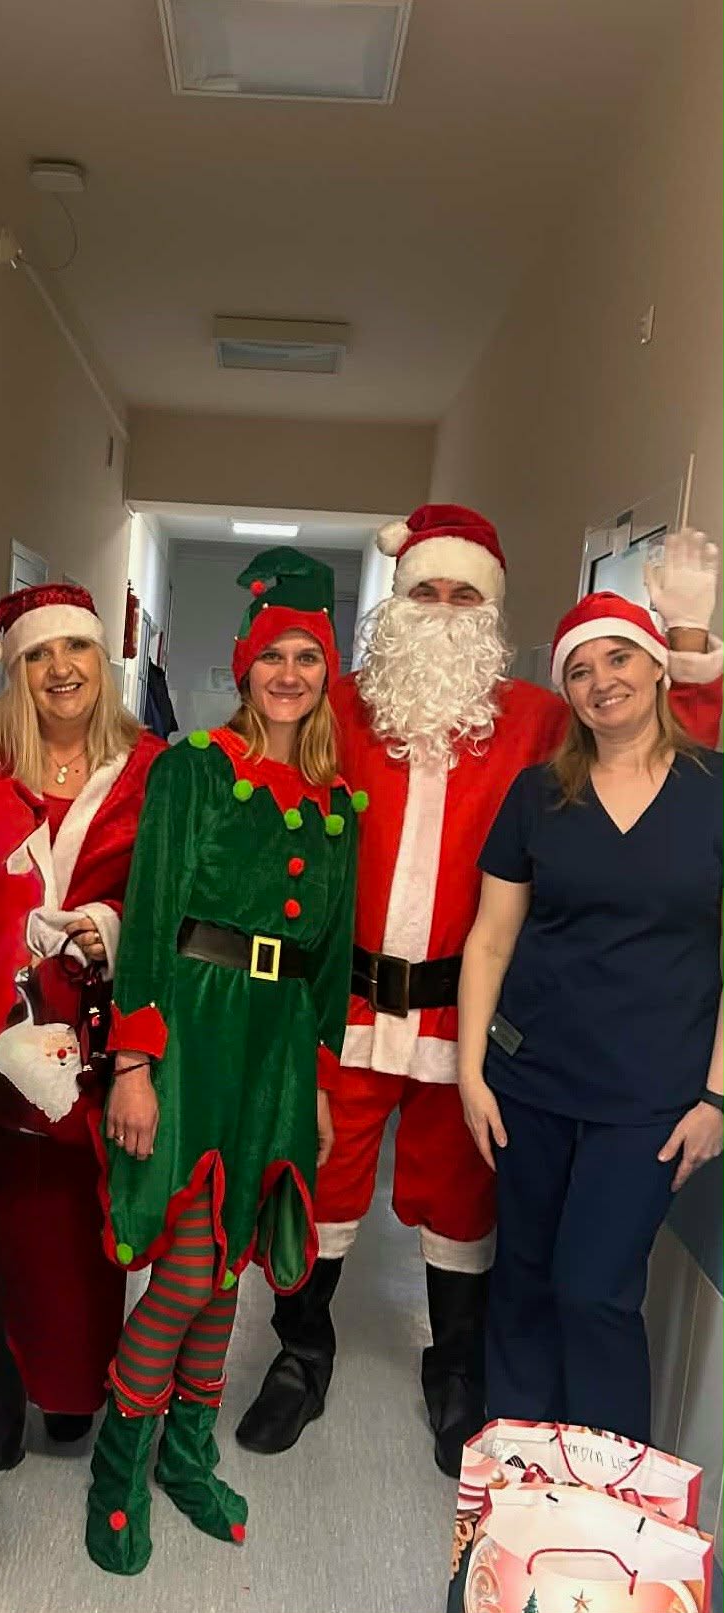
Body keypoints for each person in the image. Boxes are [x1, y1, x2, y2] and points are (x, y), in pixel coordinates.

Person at [236, 507, 724, 1477]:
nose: (444, 608)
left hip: (469, 1014)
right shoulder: (341, 705)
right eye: (426, 589)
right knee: (316, 1177)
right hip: (346, 1003)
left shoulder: (540, 720)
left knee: (464, 1195)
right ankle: (301, 1353)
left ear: (491, 610)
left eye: (465, 594)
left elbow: (669, 753)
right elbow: (256, 755)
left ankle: (456, 1367)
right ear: (398, 599)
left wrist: (689, 641)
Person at [85, 548, 361, 1576]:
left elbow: (332, 960)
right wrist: (134, 1063)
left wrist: (319, 1082)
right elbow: (151, 915)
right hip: (195, 1028)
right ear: (244, 664)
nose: (289, 673)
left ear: (326, 670)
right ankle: (119, 1467)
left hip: (277, 1046)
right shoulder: (193, 768)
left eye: (307, 656)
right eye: (272, 655)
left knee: (231, 1265)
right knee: (189, 1262)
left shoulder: (335, 803)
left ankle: (187, 1454)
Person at [457, 590, 724, 1442]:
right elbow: (490, 940)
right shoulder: (538, 795)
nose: (601, 681)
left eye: (618, 658)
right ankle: (516, 1479)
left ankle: (608, 1494)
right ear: (566, 692)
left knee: (595, 1288)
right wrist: (470, 1072)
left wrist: (717, 1098)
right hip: (531, 1081)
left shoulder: (714, 791)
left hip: (650, 1098)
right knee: (523, 1279)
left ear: (657, 667)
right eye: (579, 670)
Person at [0, 582, 164, 1470]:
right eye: (39, 655)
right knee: (0, 1212)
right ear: (14, 671)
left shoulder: (152, 769)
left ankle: (69, 1382)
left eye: (77, 648)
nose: (61, 668)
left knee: (75, 1220)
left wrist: (108, 926)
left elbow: (169, 901)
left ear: (103, 658)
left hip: (93, 1034)